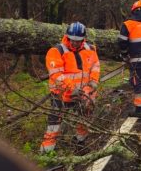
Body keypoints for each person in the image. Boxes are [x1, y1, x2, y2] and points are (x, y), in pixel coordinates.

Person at [40, 22, 100, 153]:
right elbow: (56, 75)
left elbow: (95, 66)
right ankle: (47, 152)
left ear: (83, 39)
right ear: (67, 37)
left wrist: (93, 82)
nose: (75, 43)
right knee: (54, 123)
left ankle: (80, 142)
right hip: (62, 95)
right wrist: (71, 87)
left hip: (84, 93)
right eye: (72, 40)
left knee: (85, 117)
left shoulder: (90, 49)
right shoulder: (57, 51)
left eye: (78, 41)